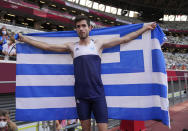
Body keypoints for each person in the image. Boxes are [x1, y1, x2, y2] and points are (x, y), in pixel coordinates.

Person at [18, 15, 156, 131]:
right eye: (78, 26)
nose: (81, 28)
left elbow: (124, 39)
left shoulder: (98, 45)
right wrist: (25, 39)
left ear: (90, 28)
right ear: (75, 29)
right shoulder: (72, 47)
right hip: (81, 96)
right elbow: (47, 46)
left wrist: (145, 28)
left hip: (98, 95)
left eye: (83, 25)